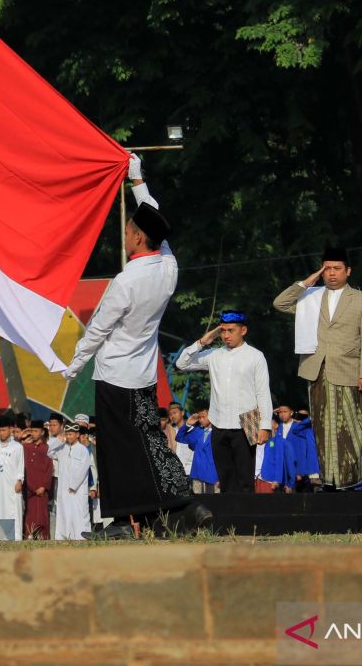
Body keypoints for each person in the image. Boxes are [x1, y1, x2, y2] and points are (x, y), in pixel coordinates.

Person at [62, 155, 203, 539]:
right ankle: (174, 511)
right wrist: (136, 178)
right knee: (148, 442)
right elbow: (155, 215)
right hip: (142, 375)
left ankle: (126, 522)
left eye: (127, 232)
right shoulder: (168, 267)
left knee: (118, 452)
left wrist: (73, 365)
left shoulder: (126, 281)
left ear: (139, 238)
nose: (125, 238)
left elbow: (97, 329)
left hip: (114, 376)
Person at [273, 247, 362, 490]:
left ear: (348, 271)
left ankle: (352, 479)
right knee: (321, 427)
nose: (331, 273)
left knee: (347, 427)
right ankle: (329, 479)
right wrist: (308, 281)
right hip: (317, 369)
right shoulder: (311, 297)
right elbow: (280, 303)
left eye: (337, 269)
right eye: (327, 268)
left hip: (348, 369)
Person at [174, 311, 274, 493]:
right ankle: (230, 520)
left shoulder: (256, 356)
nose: (226, 335)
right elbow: (181, 364)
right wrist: (202, 343)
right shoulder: (214, 354)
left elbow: (263, 392)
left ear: (243, 330)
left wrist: (265, 425)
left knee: (245, 477)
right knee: (224, 476)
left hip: (249, 419)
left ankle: (247, 519)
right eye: (223, 331)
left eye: (231, 330)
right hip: (218, 420)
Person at [48, 423, 91, 540]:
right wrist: (58, 440)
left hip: (78, 490)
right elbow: (49, 452)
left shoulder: (83, 450)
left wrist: (74, 485)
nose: (69, 437)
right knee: (64, 513)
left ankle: (82, 537)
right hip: (63, 489)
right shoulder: (61, 448)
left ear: (77, 435)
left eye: (71, 434)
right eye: (67, 434)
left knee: (80, 514)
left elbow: (83, 470)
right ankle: (63, 536)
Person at [175, 407, 219, 494]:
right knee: (198, 502)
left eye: (203, 417)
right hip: (197, 474)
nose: (201, 419)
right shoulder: (198, 431)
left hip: (213, 475)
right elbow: (179, 437)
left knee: (214, 502)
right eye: (199, 417)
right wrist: (188, 424)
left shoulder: (218, 432)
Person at [22, 423, 53, 540]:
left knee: (42, 515)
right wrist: (21, 437)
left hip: (41, 489)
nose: (33, 433)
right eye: (32, 431)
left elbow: (49, 469)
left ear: (42, 432)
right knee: (30, 514)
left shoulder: (47, 448)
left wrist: (44, 486)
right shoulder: (26, 447)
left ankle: (43, 538)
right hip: (29, 488)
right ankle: (29, 537)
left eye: (36, 431)